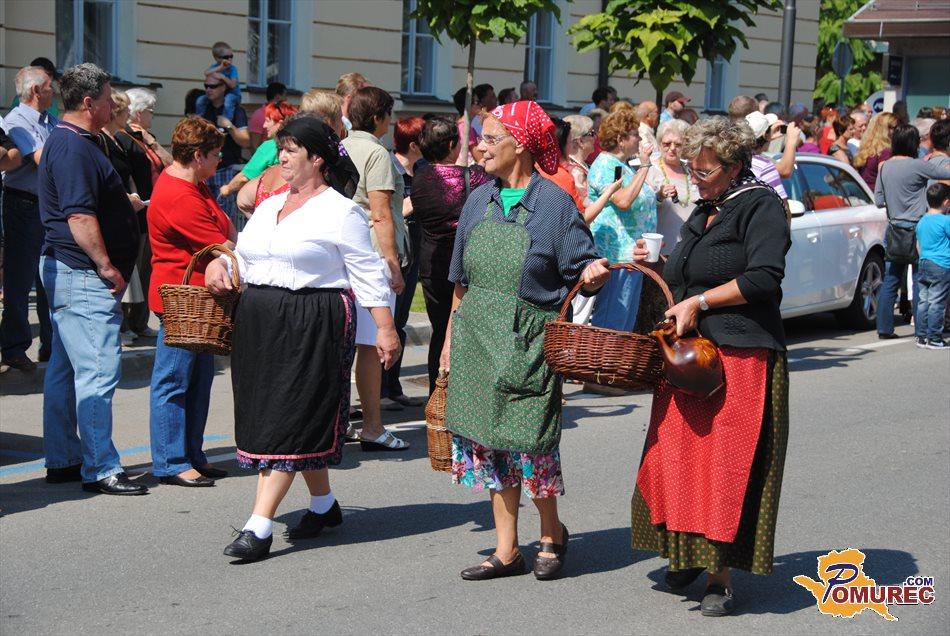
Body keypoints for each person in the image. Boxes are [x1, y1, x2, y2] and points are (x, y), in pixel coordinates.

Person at [204, 116, 400, 561]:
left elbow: (367, 274)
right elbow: (246, 257)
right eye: (281, 149)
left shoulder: (341, 211)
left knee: (289, 416)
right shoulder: (270, 206)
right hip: (260, 322)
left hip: (314, 320)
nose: (282, 158)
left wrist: (385, 328)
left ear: (318, 159)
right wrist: (221, 263)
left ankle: (258, 525)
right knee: (276, 414)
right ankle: (324, 504)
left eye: (291, 150)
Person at [439, 100, 609, 581]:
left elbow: (582, 269)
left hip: (528, 344)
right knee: (489, 445)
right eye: (480, 138)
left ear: (522, 145)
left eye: (491, 138)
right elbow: (460, 283)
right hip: (476, 339)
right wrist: (449, 343)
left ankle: (552, 532)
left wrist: (593, 275)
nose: (480, 147)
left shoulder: (554, 205)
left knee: (532, 445)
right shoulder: (478, 200)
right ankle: (507, 549)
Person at [630, 115, 791, 617]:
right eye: (693, 169)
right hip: (690, 356)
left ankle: (720, 576)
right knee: (678, 460)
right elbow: (687, 277)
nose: (695, 178)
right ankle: (685, 553)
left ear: (735, 165)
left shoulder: (761, 205)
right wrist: (657, 266)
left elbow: (764, 278)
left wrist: (700, 303)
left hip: (740, 355)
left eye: (705, 171)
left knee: (724, 468)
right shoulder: (705, 210)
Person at [39, 63, 146, 495]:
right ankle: (101, 466)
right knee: (98, 372)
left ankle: (65, 458)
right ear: (88, 103)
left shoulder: (73, 141)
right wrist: (106, 265)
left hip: (71, 270)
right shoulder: (73, 146)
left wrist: (121, 205)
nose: (111, 106)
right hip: (82, 273)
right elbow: (79, 216)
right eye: (106, 100)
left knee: (66, 369)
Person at [148, 116, 237, 487]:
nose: (220, 160)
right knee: (173, 382)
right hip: (182, 303)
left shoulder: (194, 185)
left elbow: (225, 228)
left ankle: (192, 455)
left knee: (197, 383)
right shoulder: (179, 194)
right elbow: (223, 242)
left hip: (199, 303)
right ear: (198, 156)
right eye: (215, 154)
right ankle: (171, 462)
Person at [341, 86, 411, 451]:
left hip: (343, 253)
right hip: (371, 255)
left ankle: (339, 422)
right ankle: (372, 426)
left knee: (343, 344)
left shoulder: (339, 146)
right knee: (370, 346)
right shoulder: (376, 153)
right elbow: (381, 213)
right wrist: (393, 264)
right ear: (377, 118)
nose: (391, 121)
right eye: (388, 114)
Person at [410, 115, 491, 391]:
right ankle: (460, 393)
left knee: (439, 330)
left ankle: (437, 392)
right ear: (451, 145)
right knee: (464, 330)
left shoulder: (419, 178)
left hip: (431, 263)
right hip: (465, 264)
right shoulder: (473, 177)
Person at [0, 66, 56, 372]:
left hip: (47, 206)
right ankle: (14, 347)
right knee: (20, 278)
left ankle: (51, 346)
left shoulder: (50, 121)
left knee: (50, 278)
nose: (53, 91)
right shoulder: (17, 121)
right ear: (36, 90)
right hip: (22, 204)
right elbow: (44, 159)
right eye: (49, 86)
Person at [874, 124, 950, 340]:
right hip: (917, 229)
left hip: (894, 229)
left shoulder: (885, 167)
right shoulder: (917, 166)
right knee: (919, 280)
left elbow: (878, 200)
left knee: (890, 280)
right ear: (913, 143)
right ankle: (921, 330)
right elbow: (945, 173)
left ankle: (884, 328)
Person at [586, 108, 656, 333]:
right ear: (620, 139)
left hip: (631, 256)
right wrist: (644, 166)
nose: (640, 140)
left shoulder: (622, 166)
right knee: (611, 325)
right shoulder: (605, 165)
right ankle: (602, 358)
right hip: (615, 257)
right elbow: (623, 201)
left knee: (624, 325)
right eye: (635, 134)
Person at [382, 115, 427, 409]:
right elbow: (387, 210)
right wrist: (409, 205)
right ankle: (379, 391)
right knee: (388, 320)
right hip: (395, 253)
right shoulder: (390, 168)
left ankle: (392, 386)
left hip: (415, 253)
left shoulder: (422, 170)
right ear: (413, 144)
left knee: (400, 321)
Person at [98, 91, 149, 345]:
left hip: (129, 209)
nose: (128, 114)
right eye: (125, 110)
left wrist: (134, 195)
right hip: (116, 213)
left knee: (130, 273)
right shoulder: (103, 139)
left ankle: (124, 325)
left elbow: (126, 174)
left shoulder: (116, 139)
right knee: (118, 275)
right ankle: (117, 329)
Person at [218, 99, 297, 199]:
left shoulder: (270, 146)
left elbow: (244, 177)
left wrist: (227, 188)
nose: (264, 125)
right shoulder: (298, 144)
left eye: (268, 121)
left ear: (280, 123)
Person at [199, 75, 250, 227]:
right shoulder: (204, 108)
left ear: (223, 88)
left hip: (225, 169)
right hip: (203, 169)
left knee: (224, 218)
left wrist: (229, 126)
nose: (208, 89)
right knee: (204, 217)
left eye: (213, 86)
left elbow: (246, 141)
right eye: (206, 86)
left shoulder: (236, 110)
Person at [647, 118, 699, 255]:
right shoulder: (650, 170)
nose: (672, 148)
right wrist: (659, 196)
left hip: (690, 248)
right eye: (667, 144)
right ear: (659, 144)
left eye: (678, 144)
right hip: (662, 248)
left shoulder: (691, 170)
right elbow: (643, 207)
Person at [914, 183, 950, 349]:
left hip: (923, 263)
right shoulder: (945, 221)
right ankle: (935, 338)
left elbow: (918, 244)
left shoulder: (922, 220)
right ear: (946, 202)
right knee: (937, 302)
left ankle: (921, 336)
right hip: (941, 264)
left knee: (924, 301)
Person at [745, 112, 797, 197]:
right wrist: (791, 140)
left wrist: (766, 139)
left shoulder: (738, 157)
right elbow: (785, 171)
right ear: (764, 134)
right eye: (769, 128)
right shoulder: (762, 165)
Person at [195, 41, 241, 122]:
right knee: (200, 100)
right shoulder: (215, 67)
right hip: (220, 95)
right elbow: (206, 73)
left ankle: (226, 120)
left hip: (233, 95)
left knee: (228, 100)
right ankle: (200, 119)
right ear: (217, 58)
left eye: (231, 56)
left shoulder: (232, 69)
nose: (230, 59)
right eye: (226, 57)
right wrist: (220, 68)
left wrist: (223, 77)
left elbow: (233, 85)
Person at [854, 112, 897, 189]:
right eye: (894, 128)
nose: (896, 131)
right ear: (885, 129)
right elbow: (884, 178)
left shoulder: (868, 147)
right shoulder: (885, 151)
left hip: (863, 190)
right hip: (874, 193)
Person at [248, 81, 286, 150]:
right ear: (277, 97)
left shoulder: (283, 114)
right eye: (285, 96)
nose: (286, 99)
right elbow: (254, 146)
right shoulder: (259, 115)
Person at [453, 86, 484, 163]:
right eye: (477, 102)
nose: (481, 105)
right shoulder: (465, 127)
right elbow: (479, 158)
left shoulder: (459, 125)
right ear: (468, 104)